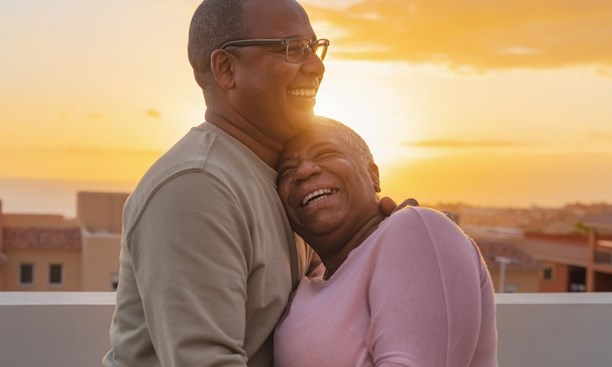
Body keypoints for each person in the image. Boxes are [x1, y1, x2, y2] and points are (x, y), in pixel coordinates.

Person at [103, 1, 400, 366]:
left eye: (314, 47)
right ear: (226, 69)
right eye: (292, 48)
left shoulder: (280, 179)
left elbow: (331, 292)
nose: (316, 66)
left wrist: (392, 240)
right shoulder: (198, 187)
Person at [274, 117, 498, 367]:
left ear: (374, 175)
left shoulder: (414, 230)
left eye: (325, 153)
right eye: (287, 171)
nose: (304, 171)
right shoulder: (309, 281)